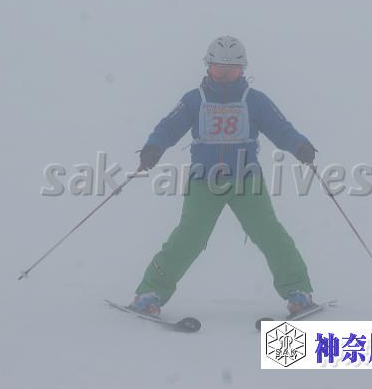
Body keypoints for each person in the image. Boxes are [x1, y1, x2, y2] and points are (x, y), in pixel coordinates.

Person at [129, 35, 317, 317]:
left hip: (246, 181)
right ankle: (150, 292)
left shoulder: (254, 100)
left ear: (243, 70)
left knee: (270, 234)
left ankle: (298, 292)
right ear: (208, 67)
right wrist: (153, 148)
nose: (226, 76)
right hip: (204, 182)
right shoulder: (195, 100)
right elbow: (169, 126)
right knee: (189, 238)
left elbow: (281, 128)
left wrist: (299, 145)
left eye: (232, 70)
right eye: (220, 70)